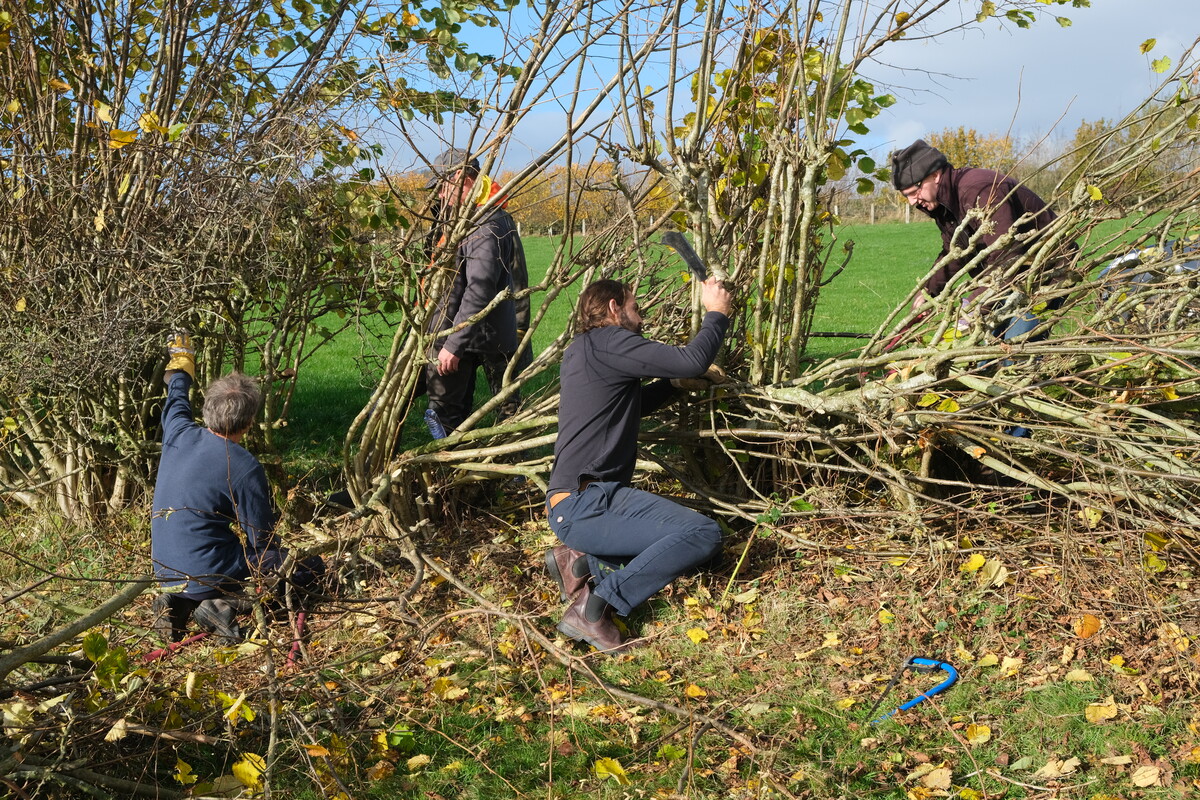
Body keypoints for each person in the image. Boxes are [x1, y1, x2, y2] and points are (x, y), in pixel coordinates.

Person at [544, 277, 733, 653]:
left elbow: (629, 409)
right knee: (703, 535)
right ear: (614, 308)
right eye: (636, 308)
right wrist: (717, 312)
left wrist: (673, 386)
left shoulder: (583, 350)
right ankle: (595, 606)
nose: (641, 318)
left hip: (570, 504)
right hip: (588, 502)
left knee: (702, 556)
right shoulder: (612, 340)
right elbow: (693, 358)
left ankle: (578, 562)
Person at [150, 334, 322, 642]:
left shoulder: (177, 432)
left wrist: (182, 360)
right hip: (206, 571)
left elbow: (176, 394)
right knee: (307, 566)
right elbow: (261, 540)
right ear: (249, 421)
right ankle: (222, 604)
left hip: (165, 571)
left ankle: (177, 601)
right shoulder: (244, 467)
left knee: (221, 556)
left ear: (207, 409)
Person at [890, 139, 1067, 341]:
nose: (912, 201)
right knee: (988, 353)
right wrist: (929, 292)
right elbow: (955, 252)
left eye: (915, 191)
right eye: (907, 196)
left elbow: (1006, 254)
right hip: (1009, 278)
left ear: (935, 175)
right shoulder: (945, 203)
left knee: (1014, 350)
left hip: (1044, 272)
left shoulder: (978, 188)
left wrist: (974, 305)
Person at [424, 148, 527, 431]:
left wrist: (453, 343)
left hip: (482, 333)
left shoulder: (486, 224)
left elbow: (478, 290)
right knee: (454, 410)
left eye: (443, 187)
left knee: (505, 406)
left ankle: (514, 472)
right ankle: (458, 465)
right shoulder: (464, 218)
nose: (441, 195)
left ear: (460, 177)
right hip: (466, 330)